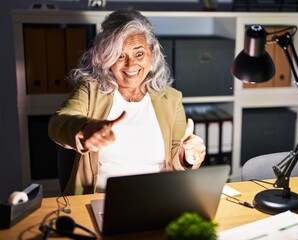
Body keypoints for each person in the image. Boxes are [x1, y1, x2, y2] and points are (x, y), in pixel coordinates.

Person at [48, 9, 206, 195]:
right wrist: (85, 128)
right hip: (101, 199)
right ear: (106, 58)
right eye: (120, 56)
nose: (131, 65)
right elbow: (57, 124)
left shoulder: (171, 99)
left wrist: (190, 156)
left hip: (157, 198)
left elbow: (176, 158)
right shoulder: (91, 90)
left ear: (151, 54)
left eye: (139, 54)